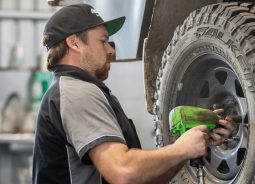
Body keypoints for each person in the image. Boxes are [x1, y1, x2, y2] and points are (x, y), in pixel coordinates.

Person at [32, 3, 235, 184]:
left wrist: (191, 146)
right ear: (74, 43)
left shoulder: (74, 89)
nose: (110, 50)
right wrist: (181, 149)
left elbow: (142, 178)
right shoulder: (76, 92)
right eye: (103, 41)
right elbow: (123, 173)